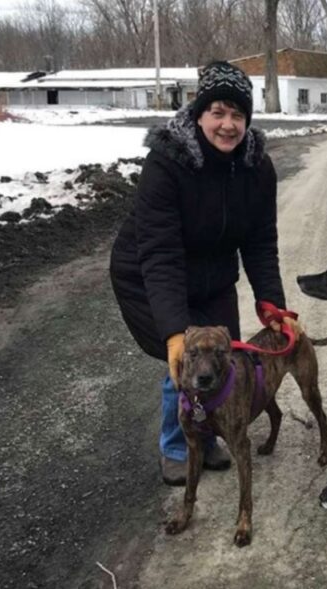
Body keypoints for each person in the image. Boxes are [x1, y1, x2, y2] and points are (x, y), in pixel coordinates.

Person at [109, 61, 293, 486]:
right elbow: (159, 254)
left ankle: (207, 436)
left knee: (220, 360)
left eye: (238, 115)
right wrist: (175, 332)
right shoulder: (167, 164)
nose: (228, 125)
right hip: (146, 272)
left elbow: (261, 243)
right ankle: (179, 446)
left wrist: (272, 307)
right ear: (199, 114)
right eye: (218, 113)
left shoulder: (256, 168)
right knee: (187, 360)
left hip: (212, 274)